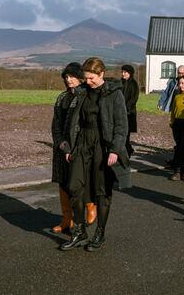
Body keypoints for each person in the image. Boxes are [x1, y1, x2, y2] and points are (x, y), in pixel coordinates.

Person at [60, 57, 131, 252]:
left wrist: (115, 149)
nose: (88, 81)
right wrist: (68, 148)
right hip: (82, 143)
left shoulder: (114, 94)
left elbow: (121, 125)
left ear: (102, 74)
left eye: (91, 78)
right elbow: (71, 122)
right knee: (73, 186)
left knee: (102, 191)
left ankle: (100, 232)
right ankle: (80, 231)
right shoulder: (81, 93)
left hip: (103, 145)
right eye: (86, 78)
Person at [51, 62, 85, 234]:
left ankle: (82, 218)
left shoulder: (84, 97)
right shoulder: (62, 97)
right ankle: (66, 220)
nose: (69, 80)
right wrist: (62, 145)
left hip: (78, 148)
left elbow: (84, 127)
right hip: (61, 148)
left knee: (76, 184)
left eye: (72, 76)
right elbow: (56, 124)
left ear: (80, 77)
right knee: (63, 183)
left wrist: (72, 148)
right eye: (66, 77)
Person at [121, 65, 139, 157]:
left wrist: (126, 107)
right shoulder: (120, 82)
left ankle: (127, 152)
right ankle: (128, 149)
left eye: (125, 72)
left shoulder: (134, 84)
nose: (123, 74)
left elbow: (134, 98)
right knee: (122, 133)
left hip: (129, 112)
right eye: (123, 72)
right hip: (120, 111)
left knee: (126, 133)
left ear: (130, 73)